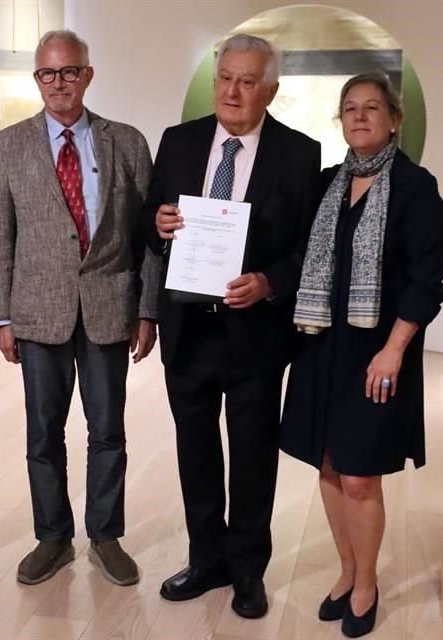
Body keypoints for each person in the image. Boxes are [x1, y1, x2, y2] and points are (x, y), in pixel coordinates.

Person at [146, 34, 320, 618]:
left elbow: (309, 248)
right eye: (225, 77)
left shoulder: (300, 154)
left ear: (270, 90)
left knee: (251, 456)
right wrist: (160, 222)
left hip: (256, 334)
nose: (233, 91)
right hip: (188, 329)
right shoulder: (179, 140)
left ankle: (248, 570)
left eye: (247, 81)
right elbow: (148, 223)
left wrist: (270, 282)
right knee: (194, 451)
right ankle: (206, 559)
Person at [0, 29, 161, 587]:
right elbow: (0, 237)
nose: (58, 83)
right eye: (46, 73)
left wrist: (148, 309)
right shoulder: (9, 144)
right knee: (44, 432)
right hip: (38, 312)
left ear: (88, 74)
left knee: (108, 430)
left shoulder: (127, 142)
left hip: (110, 307)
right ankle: (53, 537)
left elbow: (149, 235)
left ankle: (106, 536)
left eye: (68, 72)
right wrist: (2, 316)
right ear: (36, 79)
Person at [280, 72, 443, 638]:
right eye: (349, 109)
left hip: (375, 354)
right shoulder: (328, 184)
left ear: (394, 119)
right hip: (320, 346)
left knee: (359, 476)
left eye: (372, 108)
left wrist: (394, 351)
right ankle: (346, 570)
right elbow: (298, 255)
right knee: (328, 465)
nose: (359, 117)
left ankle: (369, 582)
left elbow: (427, 282)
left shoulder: (416, 188)